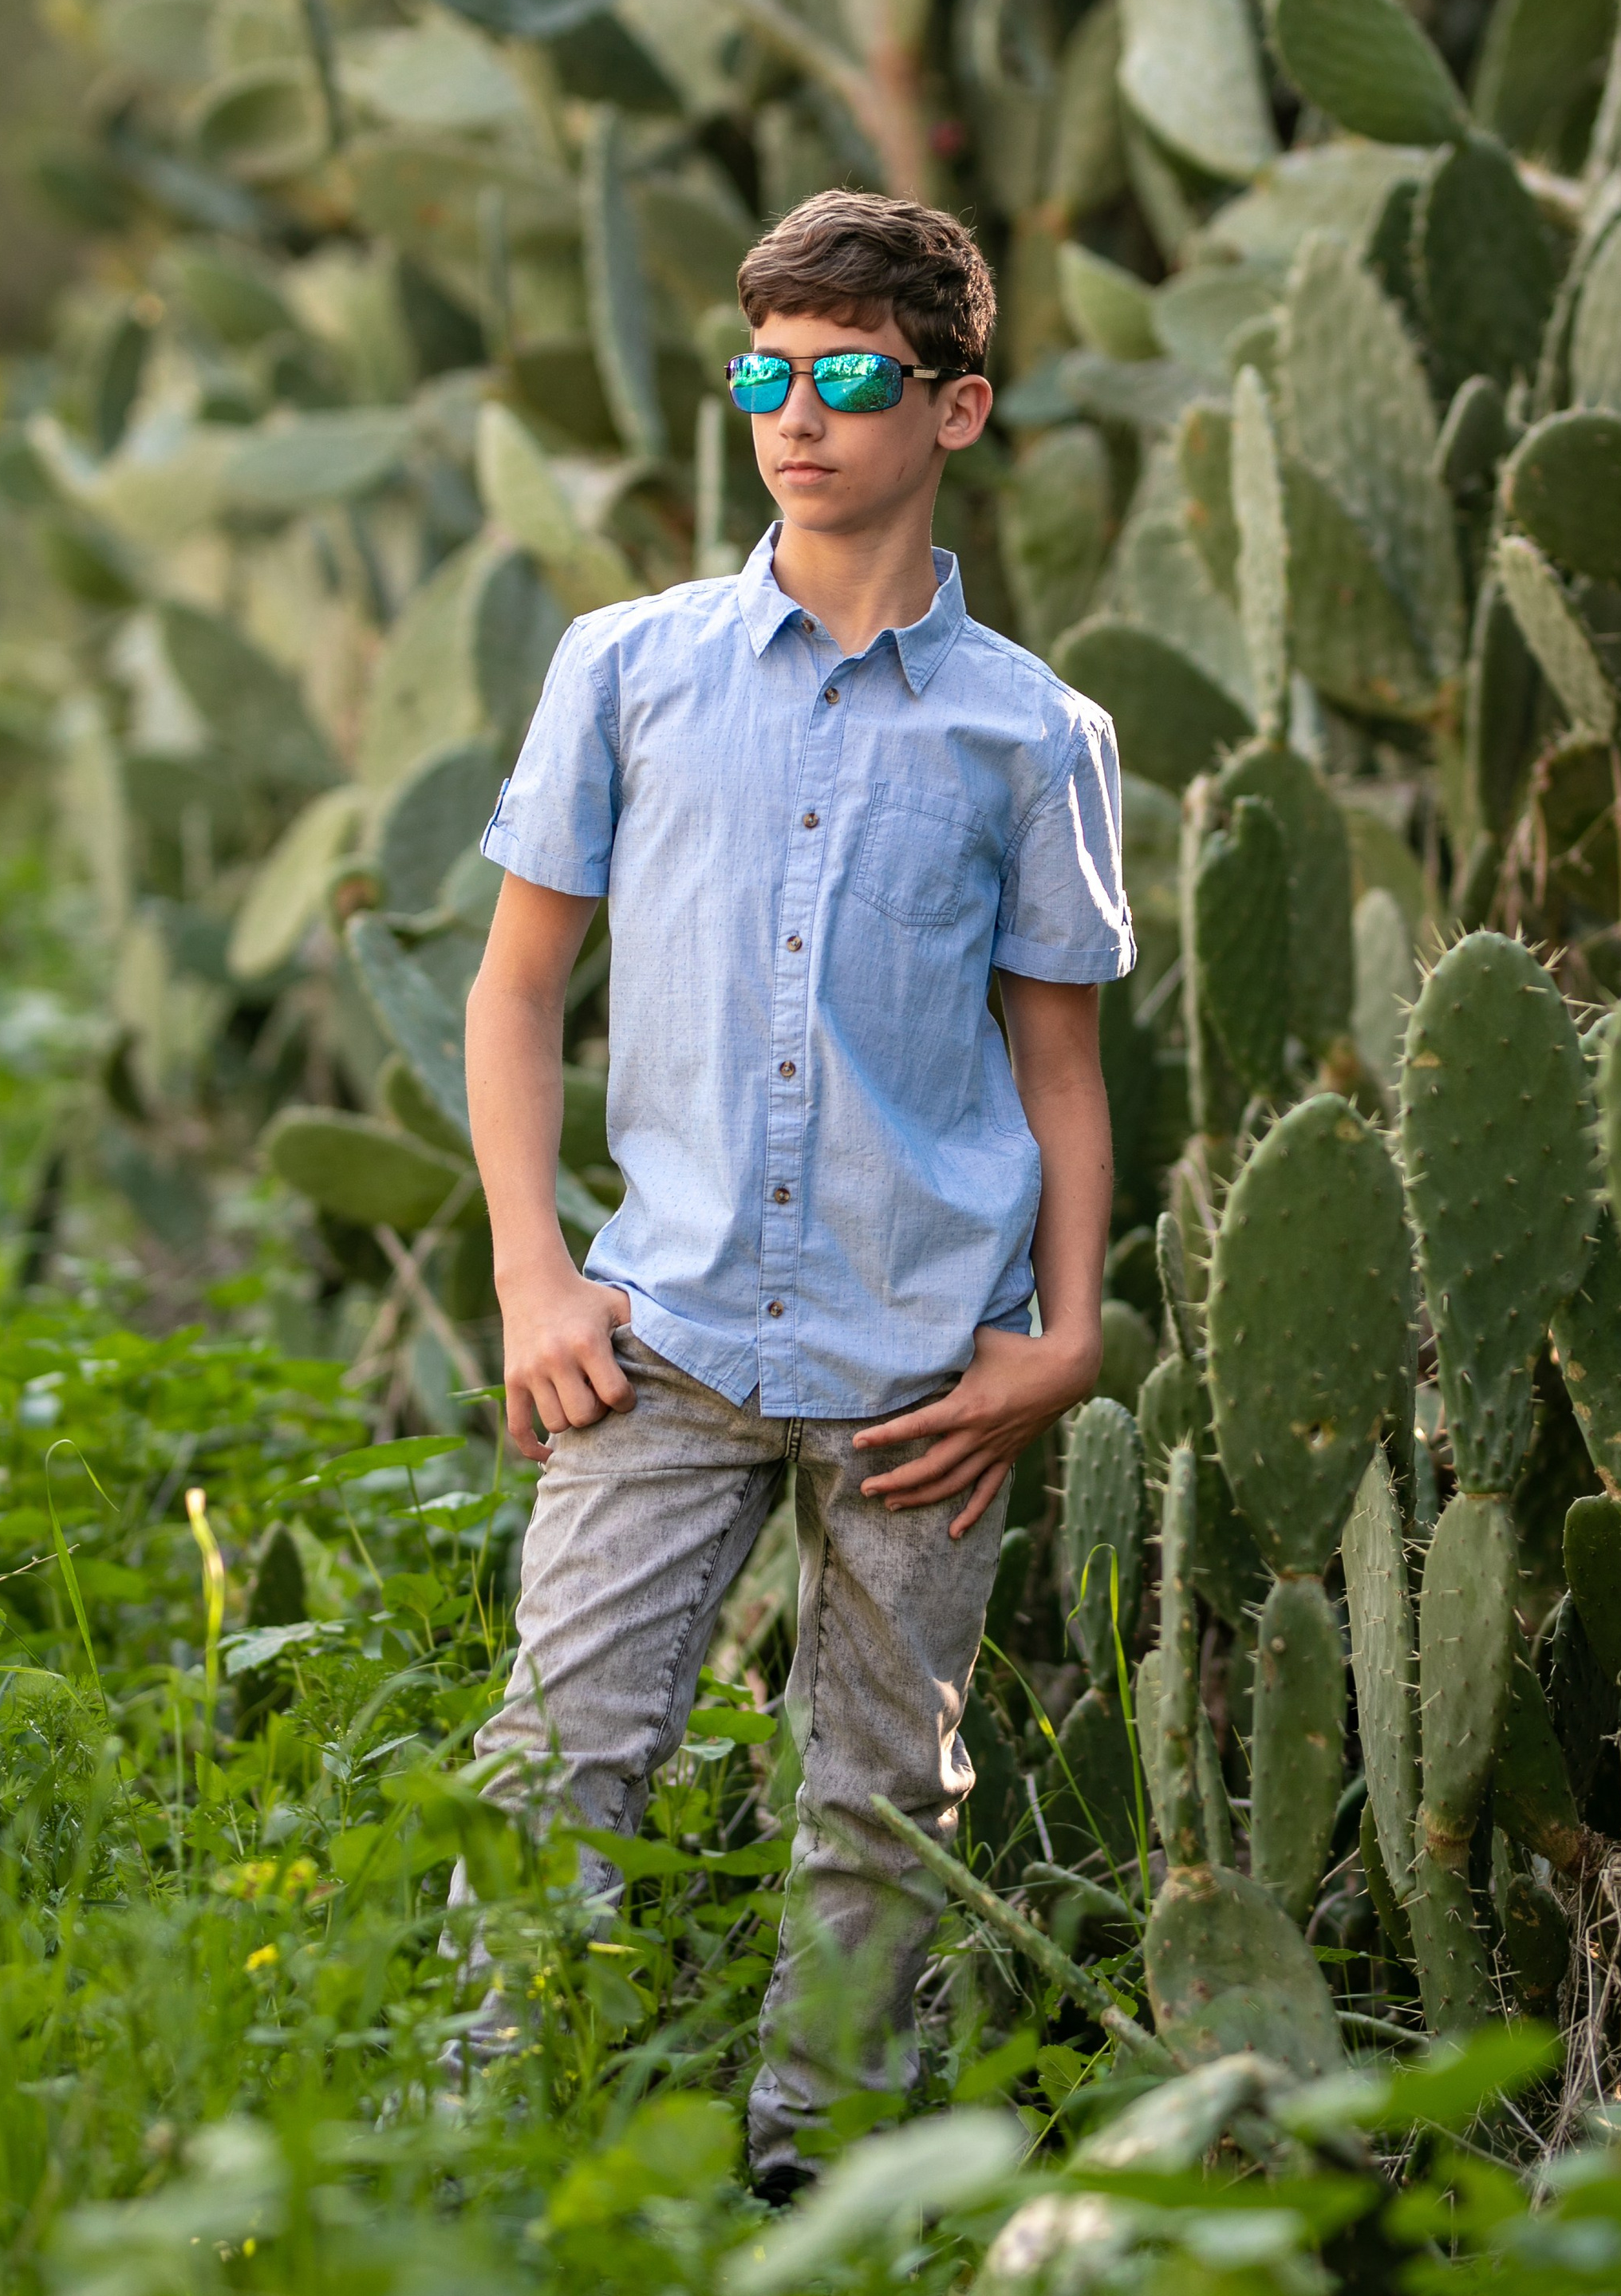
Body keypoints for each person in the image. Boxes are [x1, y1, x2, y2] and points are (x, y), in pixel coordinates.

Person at [455, 188, 1134, 2195]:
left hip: (921, 1364)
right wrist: (531, 1279)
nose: (797, 415)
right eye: (766, 372)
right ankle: (464, 2167)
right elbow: (511, 994)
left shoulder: (1037, 734)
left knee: (878, 1806)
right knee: (556, 1763)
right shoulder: (624, 670)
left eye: (848, 375)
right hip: (651, 1336)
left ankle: (809, 2217)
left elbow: (1060, 1067)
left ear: (957, 407)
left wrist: (1063, 1339)